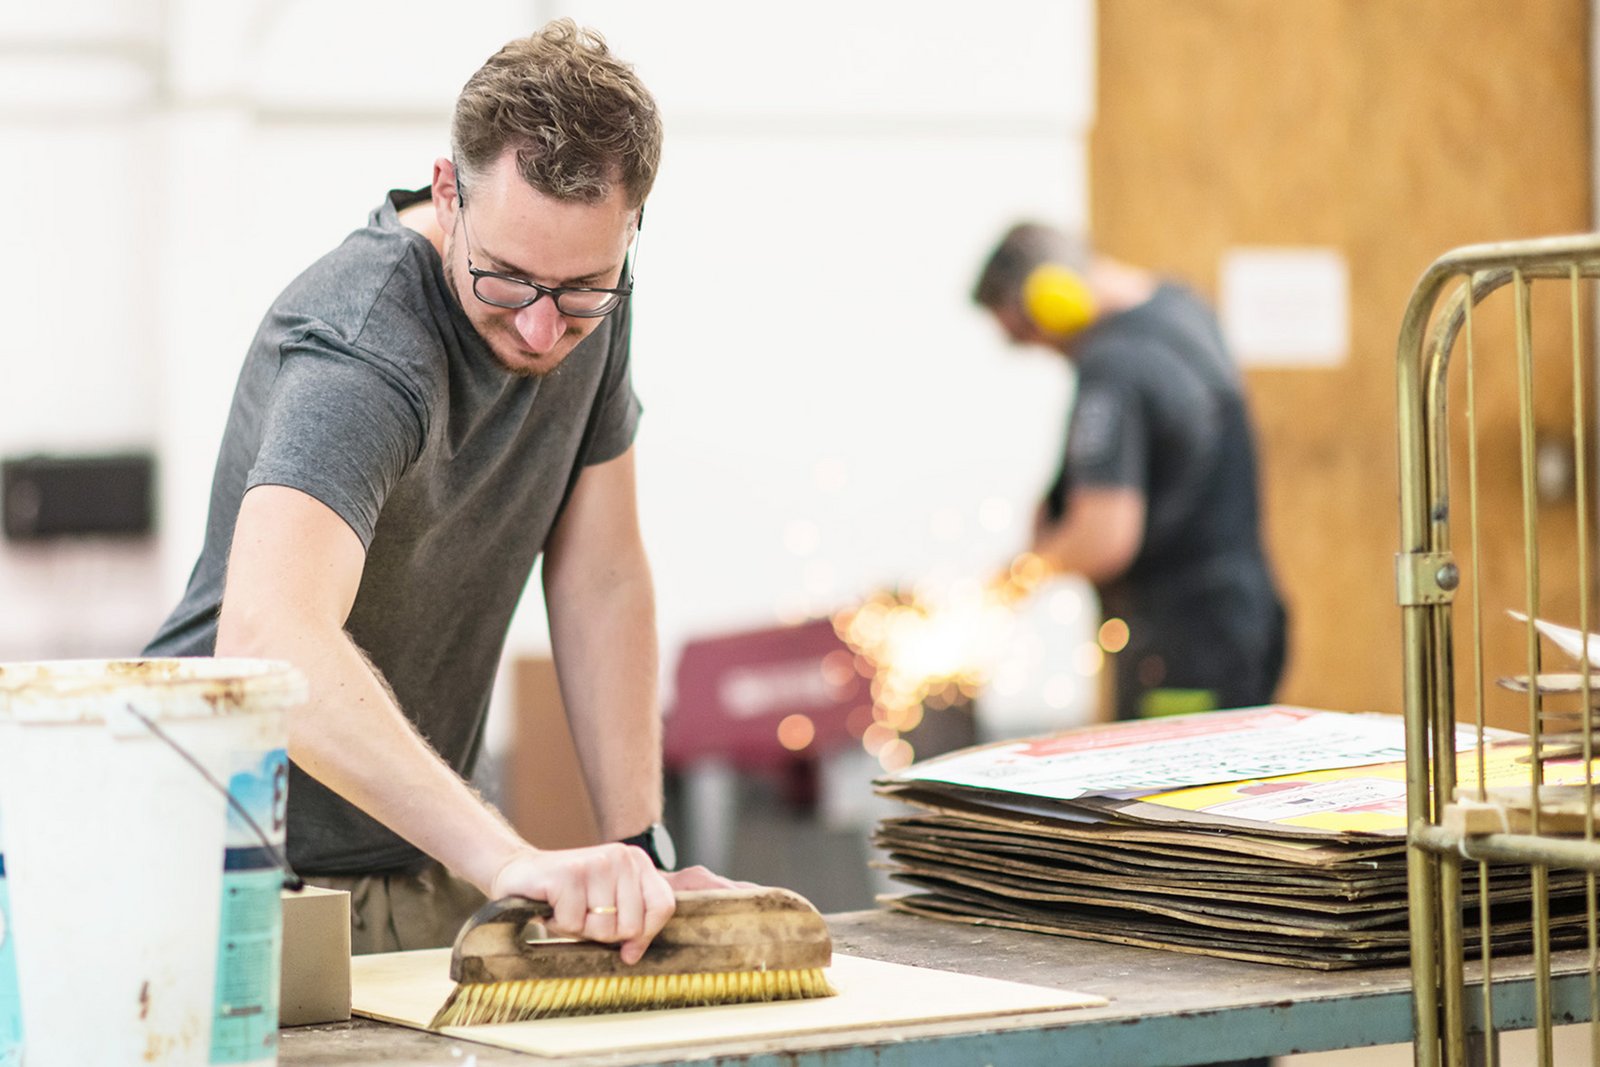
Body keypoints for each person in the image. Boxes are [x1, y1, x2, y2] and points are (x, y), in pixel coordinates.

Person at [144, 20, 733, 958]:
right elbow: (265, 638)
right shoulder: (365, 347)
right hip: (225, 869)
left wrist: (639, 846)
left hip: (408, 856)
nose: (542, 328)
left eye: (583, 287)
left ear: (630, 229)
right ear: (448, 191)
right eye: (507, 281)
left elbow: (602, 576)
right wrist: (505, 859)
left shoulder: (591, 308)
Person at [975, 222, 1288, 723]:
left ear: (1052, 297)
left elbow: (1104, 536)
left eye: (1025, 332)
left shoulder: (1113, 367)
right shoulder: (1181, 308)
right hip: (1238, 620)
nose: (1039, 348)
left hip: (1179, 644)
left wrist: (1013, 582)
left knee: (1167, 799)